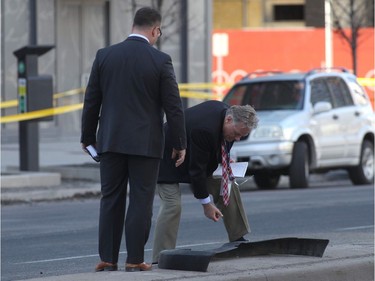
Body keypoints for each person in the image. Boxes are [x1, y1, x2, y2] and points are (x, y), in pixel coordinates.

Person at [80, 7, 187, 272]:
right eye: (158, 32)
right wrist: (180, 142)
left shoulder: (105, 56)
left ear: (133, 25)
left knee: (111, 198)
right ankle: (134, 259)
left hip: (111, 141)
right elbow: (173, 107)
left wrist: (87, 137)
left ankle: (107, 258)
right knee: (141, 199)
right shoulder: (161, 60)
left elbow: (92, 100)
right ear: (155, 30)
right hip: (146, 144)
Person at [152, 100, 258, 263]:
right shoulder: (205, 129)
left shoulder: (228, 116)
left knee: (227, 185)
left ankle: (238, 238)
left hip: (193, 155)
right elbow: (197, 171)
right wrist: (206, 204)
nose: (236, 139)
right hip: (167, 156)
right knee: (172, 205)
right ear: (229, 119)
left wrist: (226, 165)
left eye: (241, 136)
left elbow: (214, 151)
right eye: (237, 133)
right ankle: (161, 256)